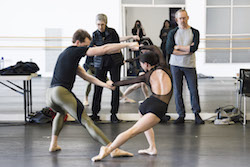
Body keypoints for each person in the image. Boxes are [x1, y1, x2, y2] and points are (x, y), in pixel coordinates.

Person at [46, 29, 139, 156]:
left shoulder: (68, 55)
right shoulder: (75, 50)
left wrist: (105, 85)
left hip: (50, 95)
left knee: (61, 113)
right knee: (86, 121)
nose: (87, 51)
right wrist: (128, 44)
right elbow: (104, 49)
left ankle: (53, 144)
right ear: (78, 42)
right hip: (61, 93)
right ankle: (113, 149)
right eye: (86, 46)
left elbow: (87, 77)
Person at [91, 45, 173, 162]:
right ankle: (108, 150)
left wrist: (113, 84)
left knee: (140, 128)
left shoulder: (146, 76)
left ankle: (152, 148)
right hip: (158, 107)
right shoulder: (164, 67)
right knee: (132, 131)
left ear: (146, 64)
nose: (141, 66)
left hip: (148, 104)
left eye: (141, 64)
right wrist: (141, 46)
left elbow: (127, 82)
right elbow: (155, 48)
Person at [166, 9, 204, 124]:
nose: (182, 20)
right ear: (176, 20)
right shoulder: (173, 32)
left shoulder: (194, 32)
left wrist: (177, 48)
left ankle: (196, 113)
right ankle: (181, 115)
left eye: (184, 18)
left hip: (189, 65)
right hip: (175, 65)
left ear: (188, 18)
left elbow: (193, 49)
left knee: (193, 90)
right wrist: (186, 49)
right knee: (177, 91)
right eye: (180, 18)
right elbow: (169, 49)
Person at [90, 13, 128, 123]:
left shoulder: (112, 32)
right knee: (98, 88)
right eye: (98, 24)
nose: (100, 27)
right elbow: (92, 48)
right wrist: (106, 48)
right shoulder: (94, 34)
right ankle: (94, 113)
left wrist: (101, 49)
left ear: (106, 23)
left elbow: (116, 48)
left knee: (115, 87)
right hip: (100, 63)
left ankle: (114, 114)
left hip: (114, 62)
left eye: (102, 24)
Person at [83, 35, 140, 106]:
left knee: (111, 84)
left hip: (98, 68)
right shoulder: (91, 51)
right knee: (90, 82)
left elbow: (118, 40)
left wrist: (131, 37)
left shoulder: (102, 50)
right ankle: (85, 98)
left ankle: (124, 97)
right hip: (89, 67)